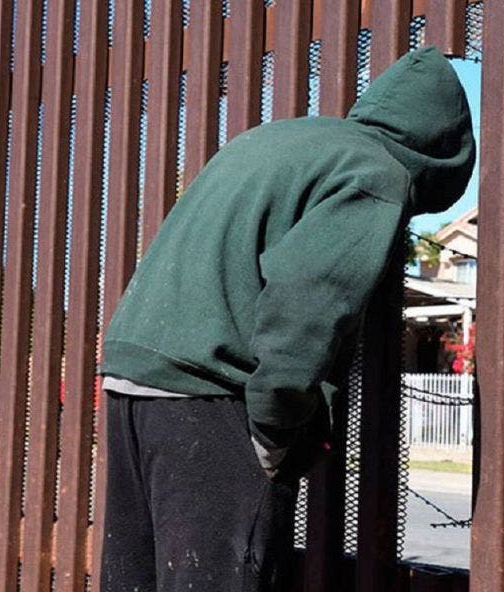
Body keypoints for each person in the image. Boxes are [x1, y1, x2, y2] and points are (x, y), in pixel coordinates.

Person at [98, 45, 475, 591]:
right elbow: (305, 307)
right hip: (212, 394)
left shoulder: (276, 140)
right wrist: (273, 432)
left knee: (136, 578)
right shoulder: (375, 173)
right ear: (441, 156)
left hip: (134, 378)